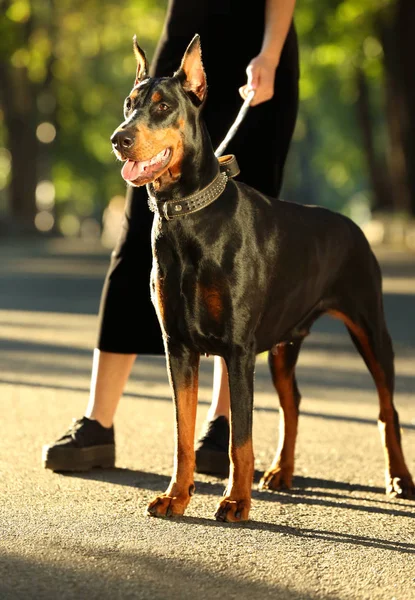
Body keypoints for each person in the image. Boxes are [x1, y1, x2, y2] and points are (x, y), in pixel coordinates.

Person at [42, 0, 299, 476]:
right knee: (140, 234)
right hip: (177, 46)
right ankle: (98, 421)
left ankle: (223, 423)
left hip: (256, 54)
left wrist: (270, 53)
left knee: (243, 244)